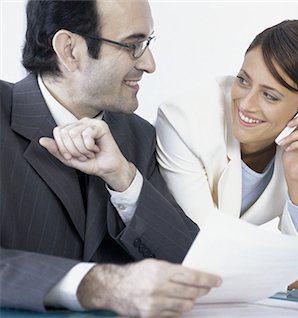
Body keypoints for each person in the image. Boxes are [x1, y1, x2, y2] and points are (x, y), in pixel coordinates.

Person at [0, 0, 221, 317]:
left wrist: (124, 180)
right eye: (133, 45)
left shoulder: (139, 137)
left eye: (147, 43)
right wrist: (100, 284)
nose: (149, 63)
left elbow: (189, 267)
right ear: (70, 49)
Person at [156, 20, 298, 300]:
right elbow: (202, 252)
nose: (246, 103)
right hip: (161, 277)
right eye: (243, 80)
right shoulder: (184, 120)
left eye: (269, 95)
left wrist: (297, 181)